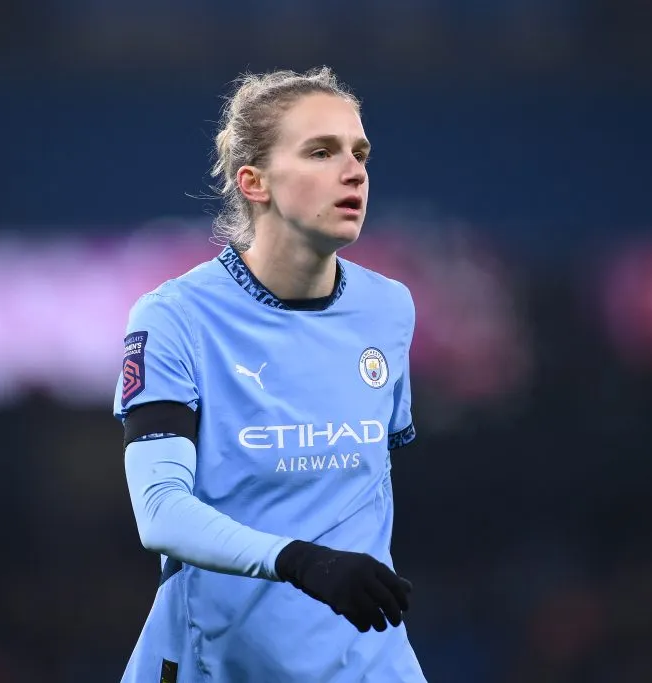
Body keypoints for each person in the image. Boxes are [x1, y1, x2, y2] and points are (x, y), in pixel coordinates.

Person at [114, 66, 425, 682]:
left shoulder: (390, 309)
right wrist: (303, 562)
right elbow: (160, 513)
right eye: (321, 151)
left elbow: (362, 491)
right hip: (223, 663)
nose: (354, 170)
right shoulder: (175, 318)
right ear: (253, 182)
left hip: (367, 664)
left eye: (359, 153)